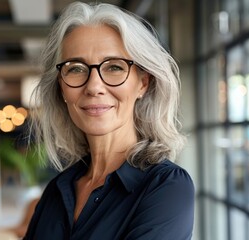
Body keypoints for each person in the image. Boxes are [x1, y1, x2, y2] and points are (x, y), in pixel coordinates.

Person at [24, 2, 195, 239]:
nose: (94, 86)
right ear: (62, 88)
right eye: (76, 69)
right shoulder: (57, 189)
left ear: (142, 83)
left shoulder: (166, 187)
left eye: (114, 67)